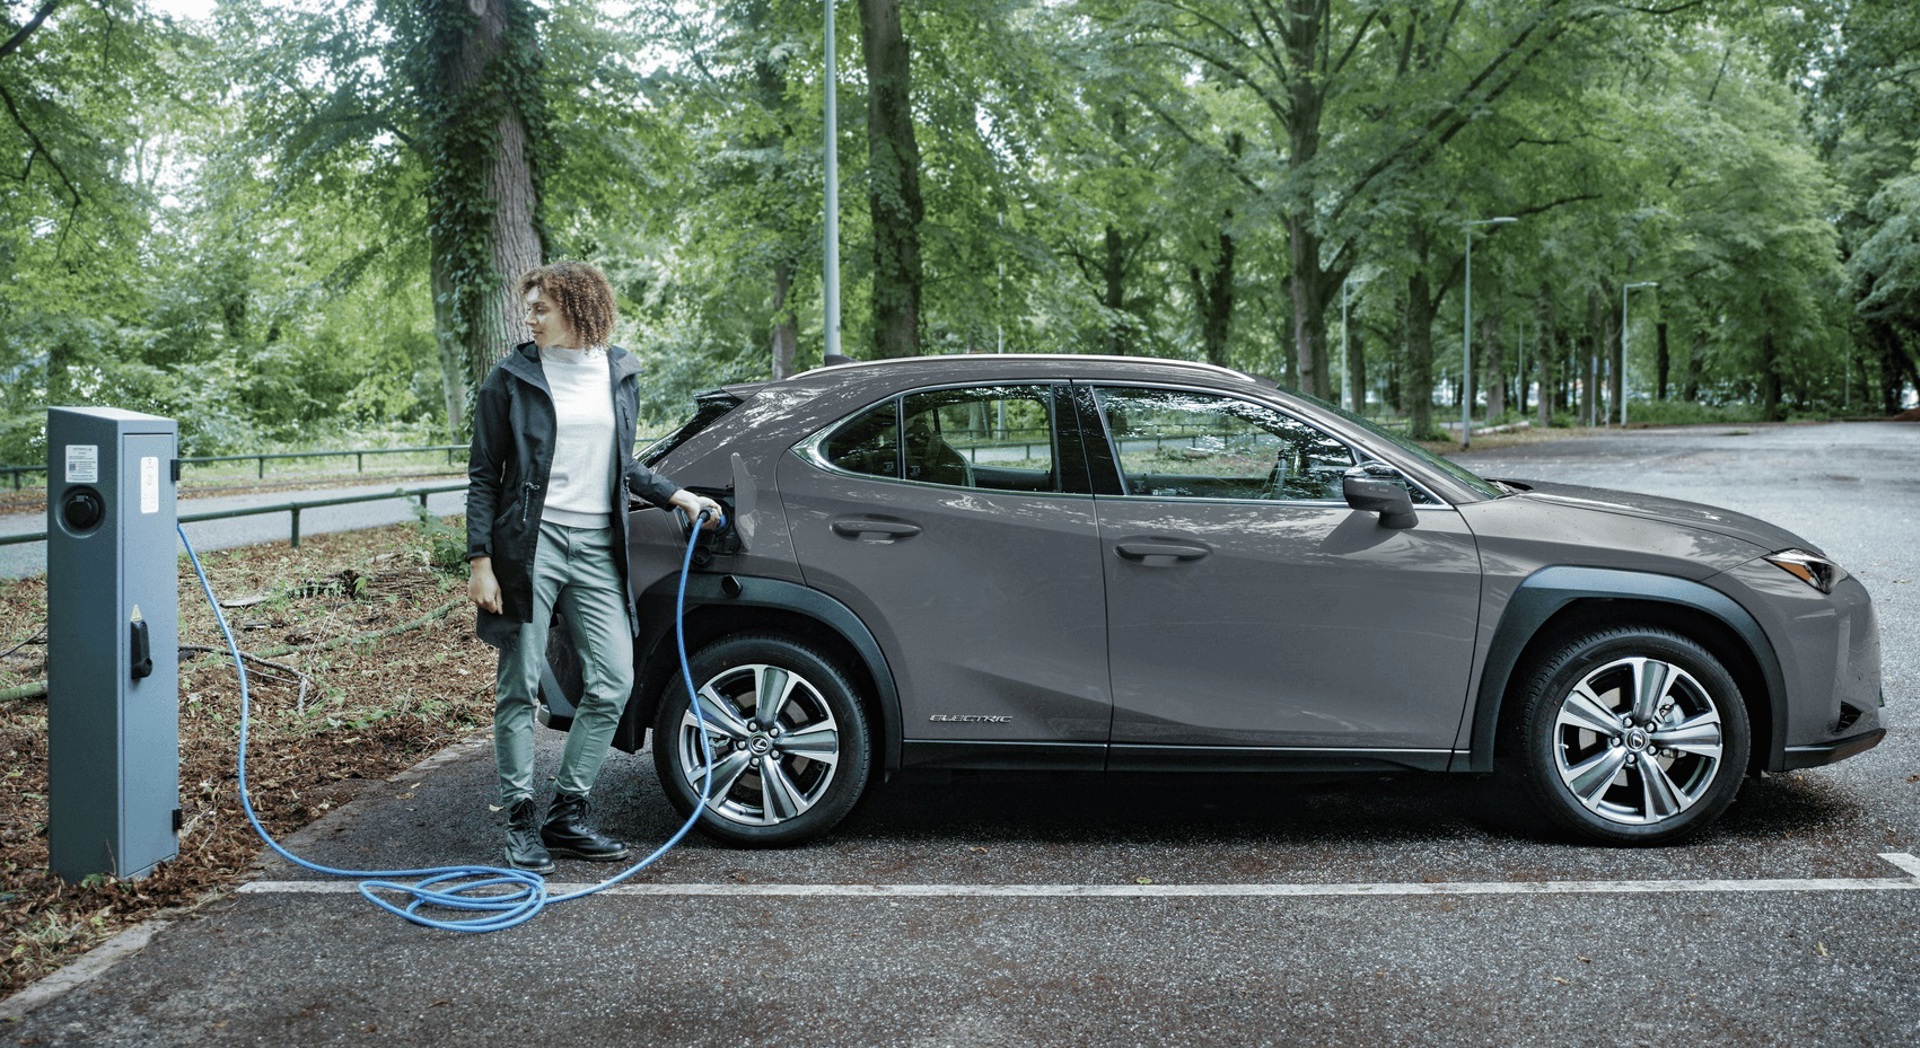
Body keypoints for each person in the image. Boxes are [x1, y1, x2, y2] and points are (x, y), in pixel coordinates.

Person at [466, 260, 721, 874]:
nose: (529, 318)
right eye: (528, 308)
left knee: (613, 680)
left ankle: (568, 812)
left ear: (578, 307)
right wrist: (480, 561)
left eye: (540, 308)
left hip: (599, 543)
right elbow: (483, 476)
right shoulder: (511, 378)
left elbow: (621, 464)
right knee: (520, 685)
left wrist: (677, 494)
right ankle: (521, 819)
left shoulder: (618, 372)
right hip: (530, 543)